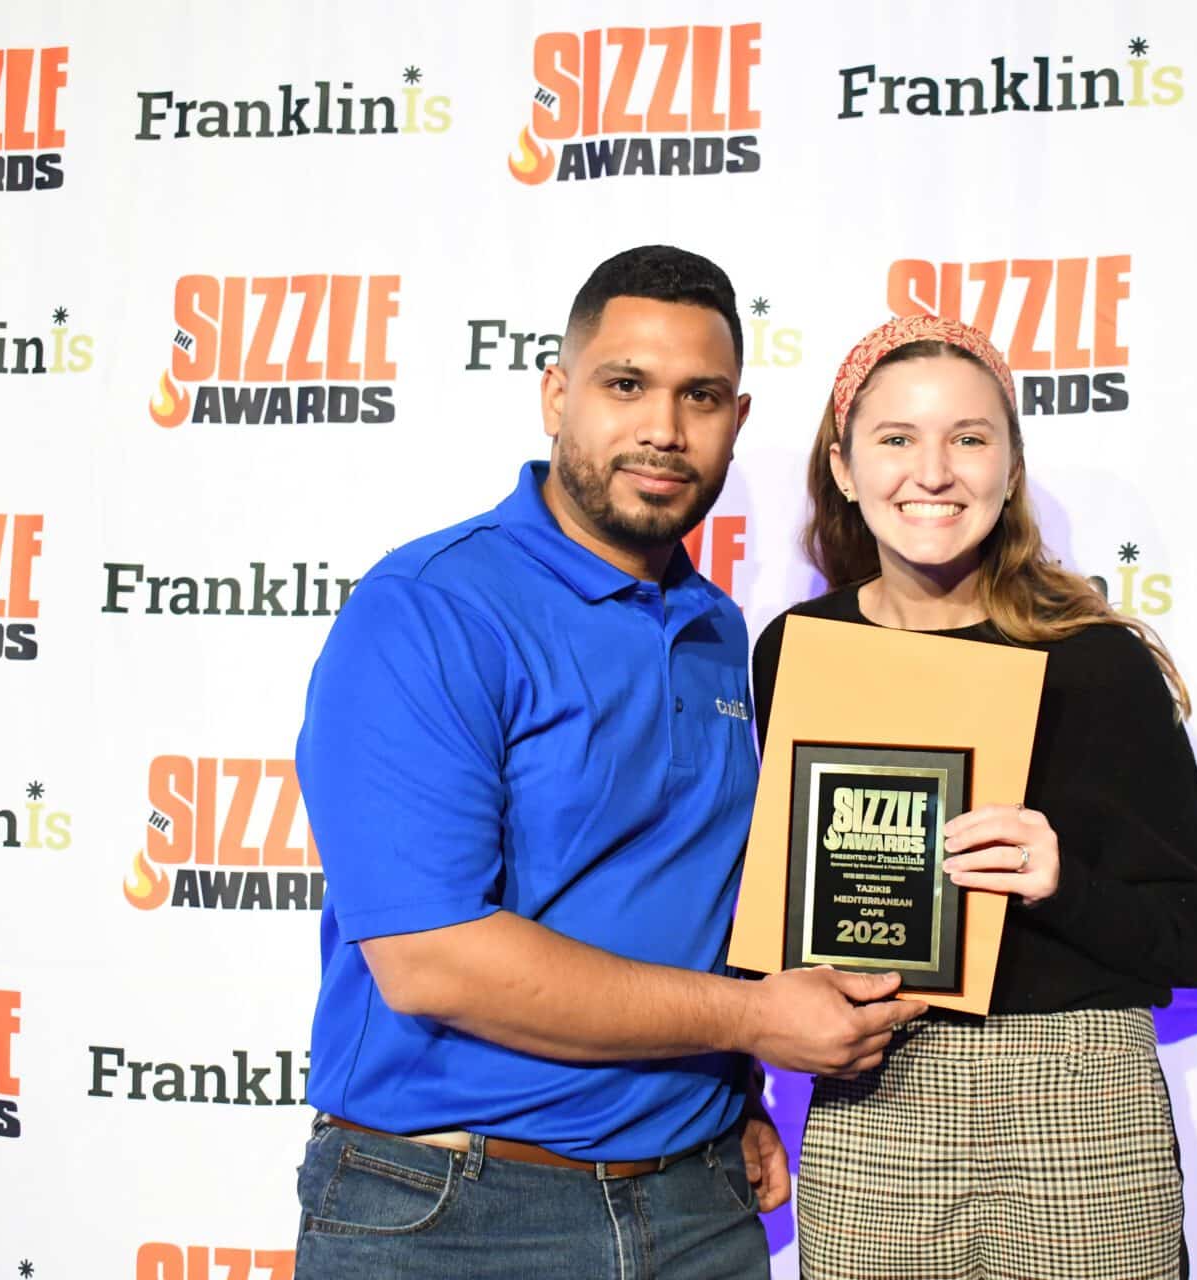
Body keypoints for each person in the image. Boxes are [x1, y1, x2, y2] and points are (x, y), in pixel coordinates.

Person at [291, 246, 925, 1280]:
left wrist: (735, 1090)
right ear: (557, 393)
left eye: (700, 396)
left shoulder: (718, 627)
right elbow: (432, 957)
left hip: (699, 1203)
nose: (664, 428)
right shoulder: (430, 608)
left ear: (737, 419)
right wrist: (754, 1023)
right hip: (455, 1215)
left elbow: (686, 888)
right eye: (626, 384)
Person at [751, 314, 1197, 1280]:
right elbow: (777, 897)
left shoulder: (1096, 662)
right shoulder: (797, 651)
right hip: (875, 1095)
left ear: (1011, 467)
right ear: (844, 468)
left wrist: (1063, 883)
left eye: (969, 439)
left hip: (1081, 1100)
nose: (933, 473)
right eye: (897, 438)